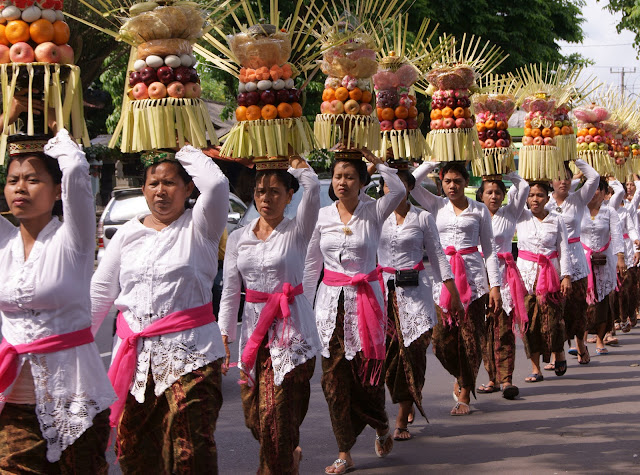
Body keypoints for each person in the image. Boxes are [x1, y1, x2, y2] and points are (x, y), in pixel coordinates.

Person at [91, 147, 229, 473]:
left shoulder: (202, 226)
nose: (160, 191)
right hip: (137, 363)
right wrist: (73, 348)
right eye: (153, 183)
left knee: (190, 452)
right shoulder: (126, 234)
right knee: (135, 453)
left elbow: (218, 185)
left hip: (192, 356)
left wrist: (179, 144)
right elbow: (100, 292)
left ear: (188, 188)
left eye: (169, 183)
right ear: (143, 189)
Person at [0, 129, 116, 472]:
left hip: (76, 399)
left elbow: (78, 172)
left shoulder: (73, 240)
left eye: (33, 179)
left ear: (57, 190)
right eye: (12, 180)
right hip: (14, 407)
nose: (20, 188)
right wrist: (8, 120)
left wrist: (57, 132)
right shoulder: (3, 243)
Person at [304, 148, 405, 474]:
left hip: (367, 305)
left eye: (350, 176)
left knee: (367, 378)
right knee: (333, 380)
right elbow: (310, 266)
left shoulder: (374, 211)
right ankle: (344, 451)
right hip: (329, 307)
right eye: (337, 176)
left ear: (362, 181)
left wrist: (377, 162)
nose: (342, 182)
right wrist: (302, 307)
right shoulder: (322, 216)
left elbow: (400, 190)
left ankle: (380, 423)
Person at [218, 156, 321, 474]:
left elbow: (314, 187)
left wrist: (296, 163)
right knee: (255, 414)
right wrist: (225, 334)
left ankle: (278, 464)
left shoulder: (298, 231)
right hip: (253, 335)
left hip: (293, 334)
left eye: (275, 191)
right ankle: (288, 451)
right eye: (261, 191)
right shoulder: (238, 238)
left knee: (277, 412)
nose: (266, 198)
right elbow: (231, 291)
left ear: (290, 196)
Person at [377, 163, 463, 441]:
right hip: (382, 296)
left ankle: (402, 417)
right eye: (387, 184)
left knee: (412, 354)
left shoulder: (424, 218)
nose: (392, 190)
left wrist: (453, 294)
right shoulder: (375, 217)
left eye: (399, 184)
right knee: (389, 359)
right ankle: (406, 396)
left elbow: (438, 256)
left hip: (416, 296)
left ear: (410, 188)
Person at [412, 161, 502, 416]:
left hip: (474, 282)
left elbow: (491, 250)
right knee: (441, 341)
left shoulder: (480, 210)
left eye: (458, 181)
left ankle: (464, 394)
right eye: (447, 181)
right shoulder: (435, 205)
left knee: (471, 340)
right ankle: (461, 374)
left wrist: (495, 285)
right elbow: (412, 183)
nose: (452, 186)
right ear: (441, 182)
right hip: (443, 281)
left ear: (467, 183)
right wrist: (434, 160)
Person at [476, 172, 529, 399]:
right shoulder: (474, 214)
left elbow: (524, 185)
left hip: (504, 278)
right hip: (478, 277)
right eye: (489, 192)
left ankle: (506, 379)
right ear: (481, 195)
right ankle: (491, 377)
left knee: (503, 328)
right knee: (484, 330)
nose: (494, 196)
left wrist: (503, 171)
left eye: (498, 192)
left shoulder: (510, 213)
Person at [516, 182, 571, 382]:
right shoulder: (520, 216)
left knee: (553, 322)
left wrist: (566, 276)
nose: (535, 199)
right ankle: (535, 368)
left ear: (548, 198)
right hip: (525, 278)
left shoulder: (557, 220)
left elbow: (563, 248)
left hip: (551, 277)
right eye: (531, 195)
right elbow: (516, 189)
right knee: (529, 324)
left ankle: (559, 350)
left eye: (540, 195)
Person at [545, 159, 599, 365]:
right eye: (559, 178)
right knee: (554, 310)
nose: (564, 182)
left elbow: (593, 177)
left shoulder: (577, 200)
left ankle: (580, 343)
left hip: (575, 260)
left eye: (567, 177)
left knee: (577, 306)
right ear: (551, 181)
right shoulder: (544, 202)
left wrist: (573, 156)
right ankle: (556, 352)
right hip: (553, 262)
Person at [581, 177, 626, 355]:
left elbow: (616, 235)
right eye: (589, 188)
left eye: (597, 188)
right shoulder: (579, 210)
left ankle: (600, 339)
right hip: (583, 262)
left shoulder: (609, 212)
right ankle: (581, 341)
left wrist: (620, 258)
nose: (593, 192)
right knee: (583, 302)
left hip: (605, 261)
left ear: (603, 192)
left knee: (603, 301)